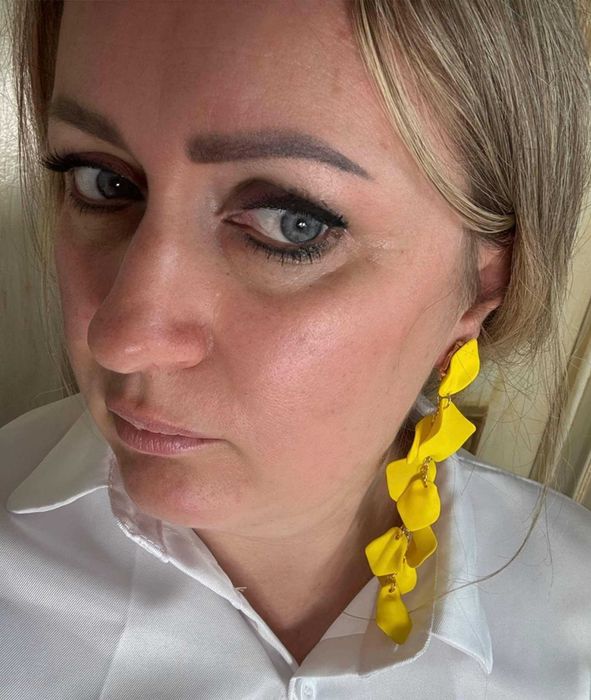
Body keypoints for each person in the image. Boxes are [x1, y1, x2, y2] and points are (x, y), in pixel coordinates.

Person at [1, 1, 590, 698]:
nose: (123, 339)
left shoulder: (571, 622)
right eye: (104, 183)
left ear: (484, 281)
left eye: (291, 223)